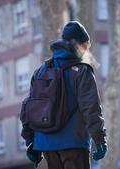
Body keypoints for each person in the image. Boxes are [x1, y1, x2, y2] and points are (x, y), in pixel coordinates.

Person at [20, 21, 107, 169]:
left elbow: (30, 108)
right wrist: (100, 139)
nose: (86, 51)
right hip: (74, 143)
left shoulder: (40, 71)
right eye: (86, 46)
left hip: (46, 146)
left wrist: (31, 142)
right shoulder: (82, 71)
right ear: (77, 44)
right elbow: (91, 108)